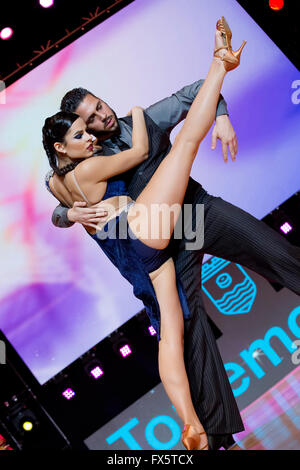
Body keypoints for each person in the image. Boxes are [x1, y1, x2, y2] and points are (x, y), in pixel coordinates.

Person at [43, 18, 248, 451]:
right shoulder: (92, 165)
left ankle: (191, 423)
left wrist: (67, 213)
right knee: (188, 143)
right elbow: (138, 149)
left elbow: (58, 210)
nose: (91, 137)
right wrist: (134, 111)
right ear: (63, 146)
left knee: (171, 333)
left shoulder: (54, 181)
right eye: (81, 134)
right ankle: (219, 66)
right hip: (144, 234)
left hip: (141, 264)